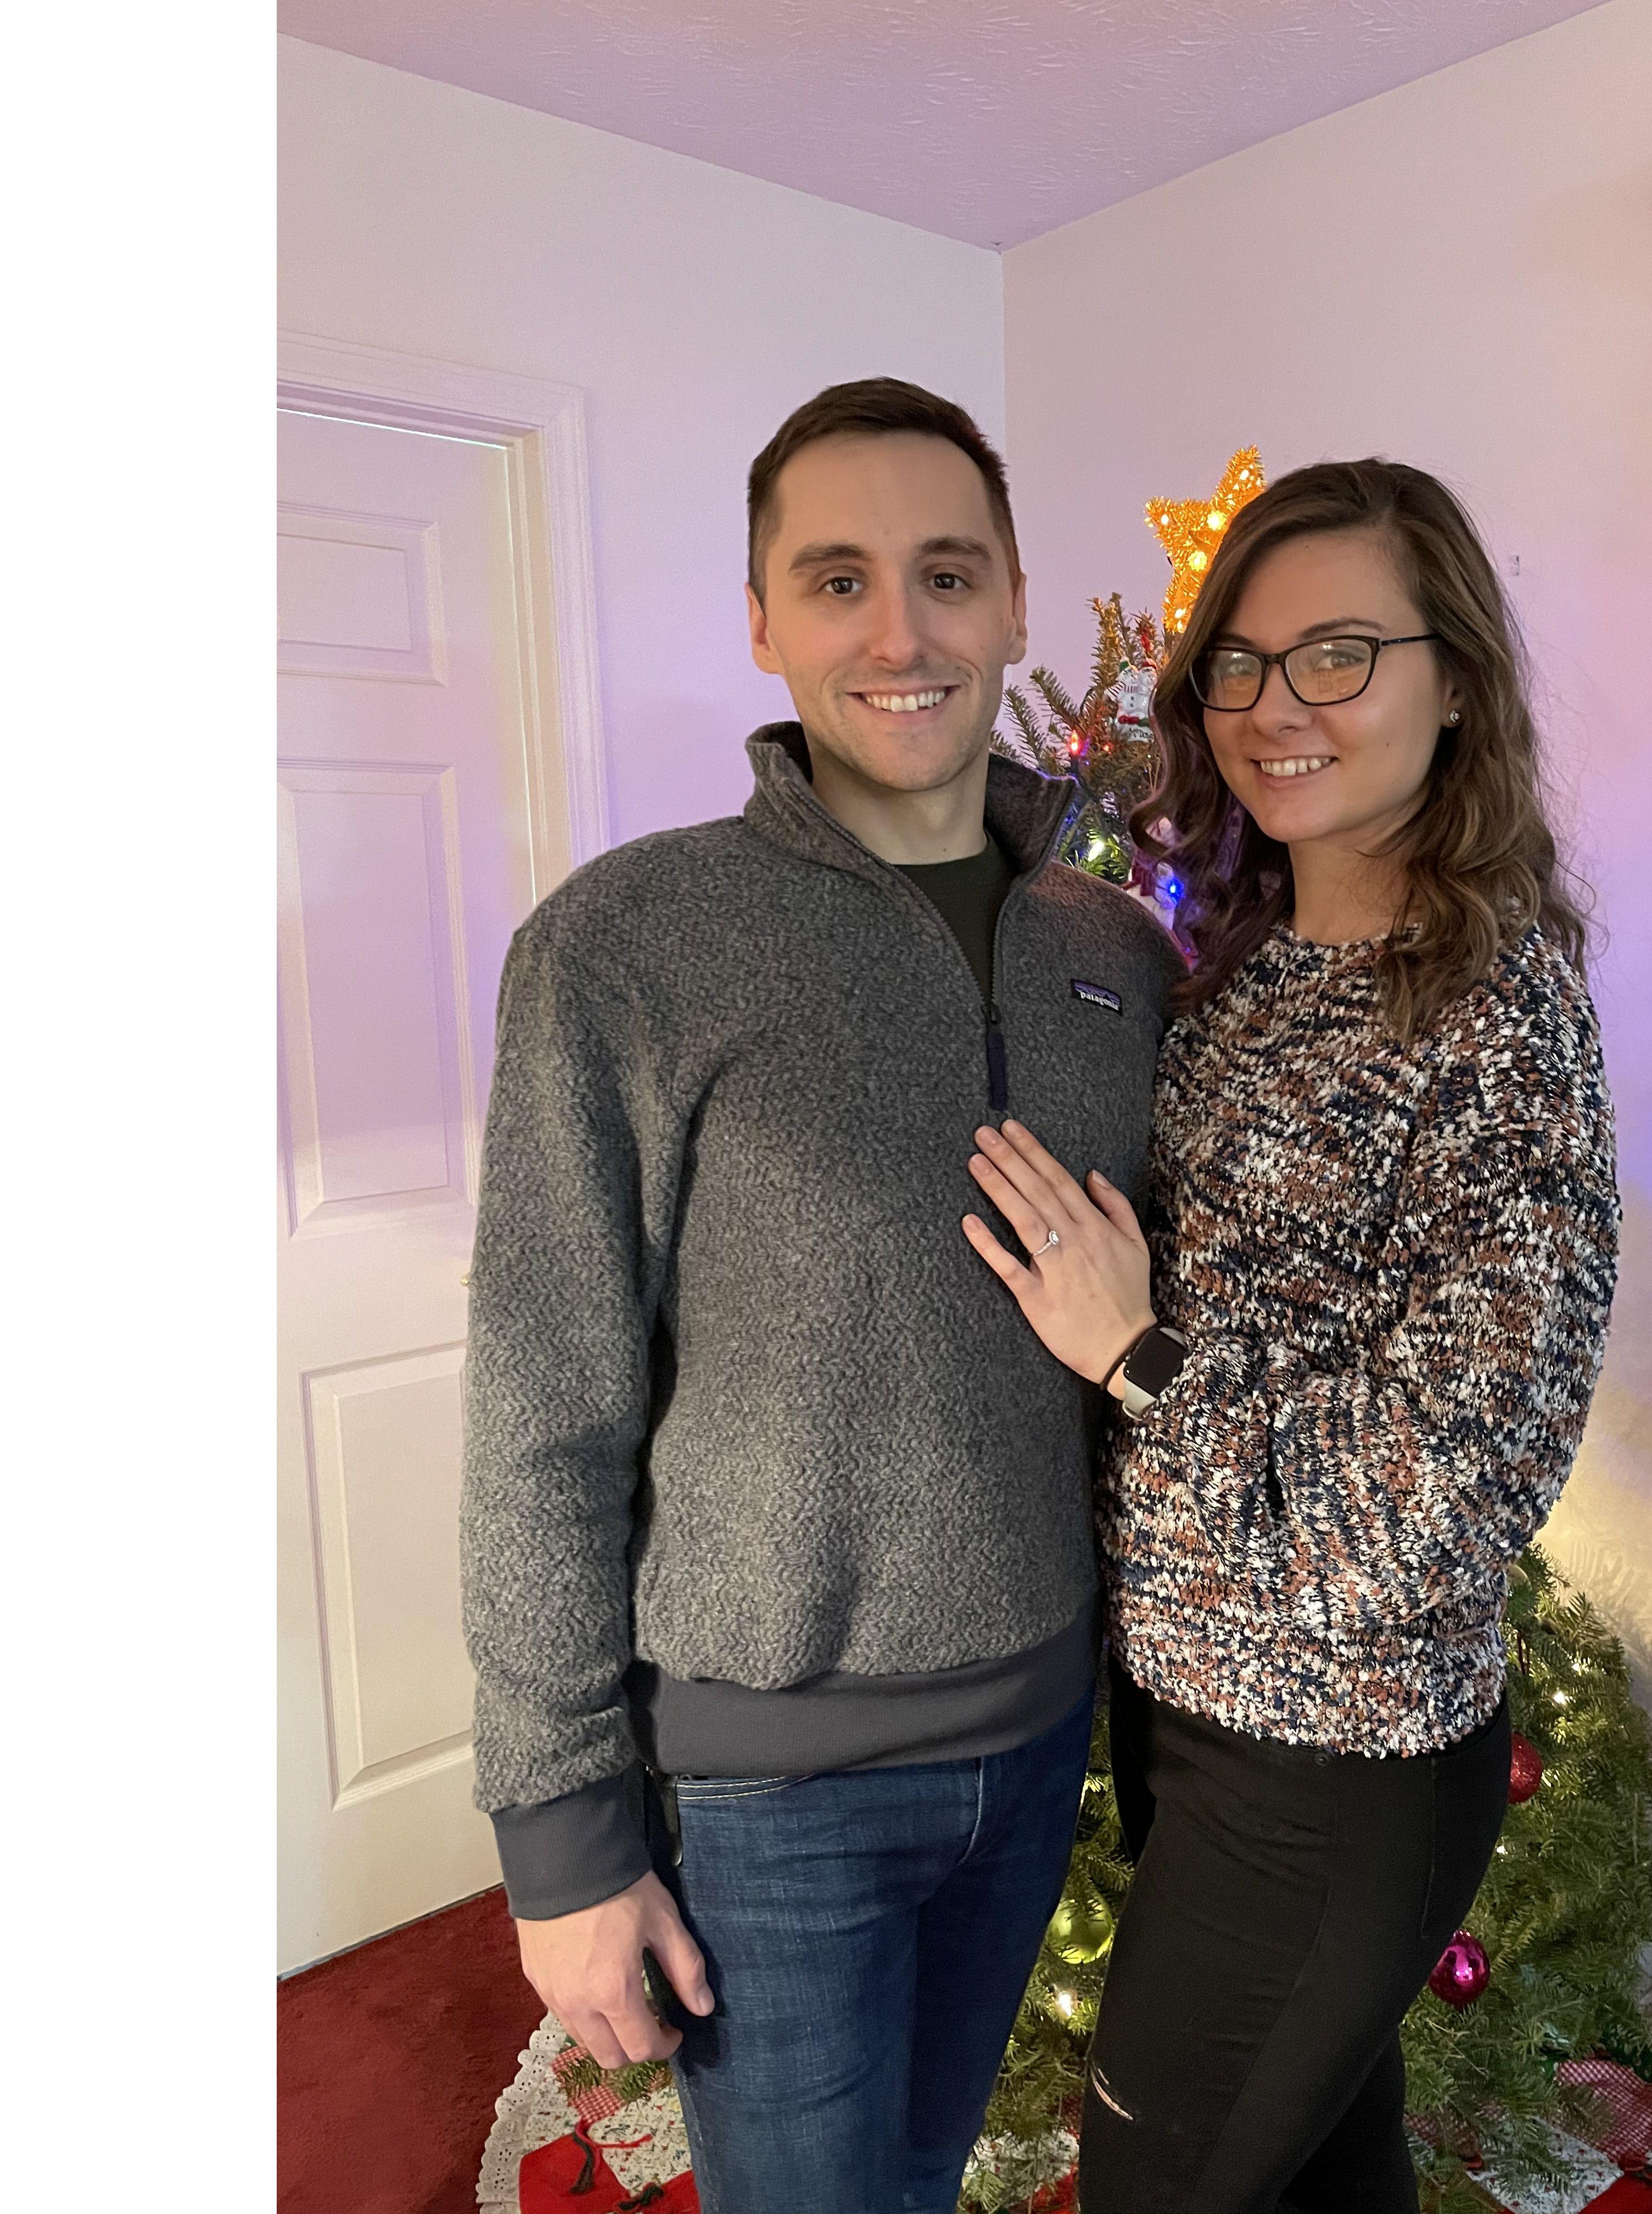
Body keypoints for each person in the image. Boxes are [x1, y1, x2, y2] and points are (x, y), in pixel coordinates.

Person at [460, 377, 1183, 2214]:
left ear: (1014, 601)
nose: (900, 633)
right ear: (763, 621)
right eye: (838, 579)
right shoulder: (627, 946)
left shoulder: (1117, 951)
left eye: (947, 574)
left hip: (1039, 1739)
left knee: (923, 2181)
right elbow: (545, 1408)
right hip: (768, 1792)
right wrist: (561, 1834)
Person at [957, 458, 1622, 2213]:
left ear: (1454, 678)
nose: (1274, 708)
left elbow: (1455, 1494)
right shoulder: (1245, 973)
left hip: (1339, 1757)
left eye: (1339, 655)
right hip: (1186, 1705)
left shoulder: (1498, 1021)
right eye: (1239, 665)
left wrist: (1143, 1358)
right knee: (1324, 2177)